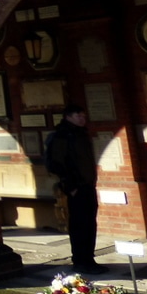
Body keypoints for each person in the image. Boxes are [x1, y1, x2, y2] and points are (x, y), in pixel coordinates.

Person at [46, 104, 105, 274]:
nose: (82, 119)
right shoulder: (62, 135)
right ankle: (80, 260)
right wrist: (71, 187)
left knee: (89, 224)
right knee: (79, 225)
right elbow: (57, 164)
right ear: (68, 117)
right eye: (78, 116)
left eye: (83, 116)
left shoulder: (81, 133)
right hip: (75, 187)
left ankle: (89, 259)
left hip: (87, 185)